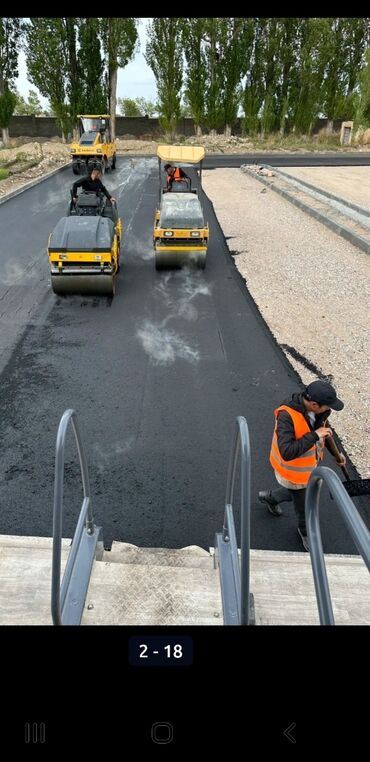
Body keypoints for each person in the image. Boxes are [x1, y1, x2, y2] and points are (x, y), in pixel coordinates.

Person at [258, 380, 346, 551]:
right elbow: (287, 451)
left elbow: (324, 431)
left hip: (307, 469)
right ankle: (306, 533)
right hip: (292, 473)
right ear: (314, 404)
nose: (329, 410)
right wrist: (314, 435)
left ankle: (270, 497)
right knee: (304, 506)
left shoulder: (319, 412)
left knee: (298, 494)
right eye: (327, 407)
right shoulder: (286, 416)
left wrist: (337, 455)